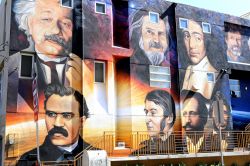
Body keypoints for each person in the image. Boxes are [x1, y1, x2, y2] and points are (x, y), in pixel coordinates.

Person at [10, 0, 82, 94]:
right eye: (46, 19)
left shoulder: (85, 71)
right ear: (29, 23)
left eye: (65, 24)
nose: (56, 30)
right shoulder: (10, 67)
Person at [17, 84, 91, 165]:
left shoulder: (97, 154)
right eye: (51, 114)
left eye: (67, 116)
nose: (57, 124)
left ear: (82, 121)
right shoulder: (28, 160)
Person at [180, 19, 218, 99]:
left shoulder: (212, 73)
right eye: (187, 36)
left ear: (206, 41)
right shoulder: (189, 69)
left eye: (198, 38)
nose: (191, 45)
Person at [132, 90, 176, 155]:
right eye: (146, 112)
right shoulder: (139, 151)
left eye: (153, 113)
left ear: (169, 117)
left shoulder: (179, 146)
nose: (146, 120)